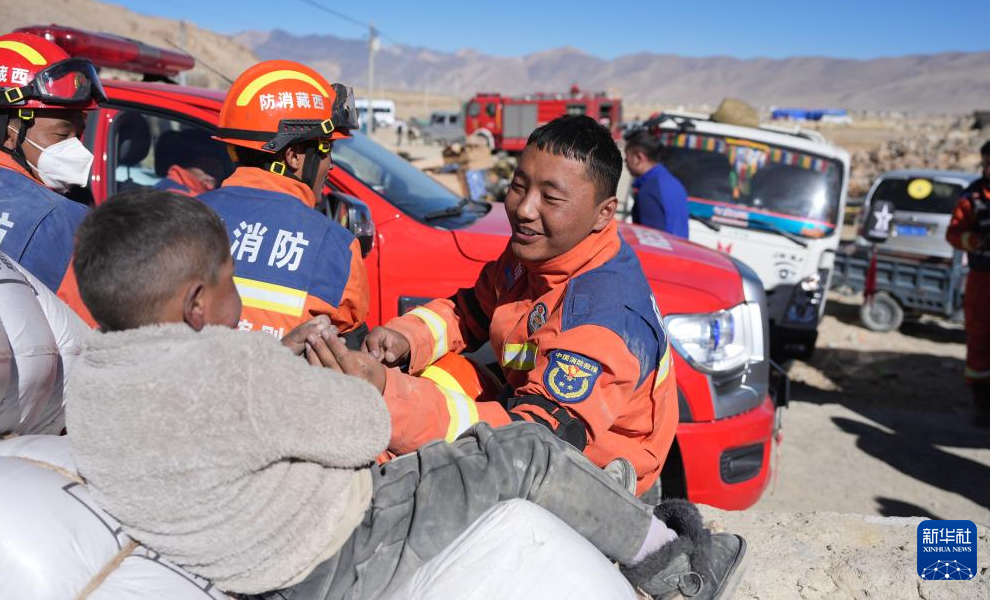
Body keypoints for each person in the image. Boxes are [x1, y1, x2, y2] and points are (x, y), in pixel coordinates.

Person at [65, 188, 746, 599]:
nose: (523, 206)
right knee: (524, 454)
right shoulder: (240, 369)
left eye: (545, 193)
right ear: (195, 304)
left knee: (474, 427)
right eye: (228, 281)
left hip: (261, 553)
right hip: (333, 555)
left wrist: (385, 345)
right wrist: (346, 377)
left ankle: (595, 497)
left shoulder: (92, 383)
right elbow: (361, 430)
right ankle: (679, 569)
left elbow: (464, 311)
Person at [362, 115, 677, 495]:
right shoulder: (539, 252)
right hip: (524, 411)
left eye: (551, 198)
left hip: (582, 467)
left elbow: (534, 439)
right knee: (441, 376)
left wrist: (393, 399)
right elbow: (469, 311)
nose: (525, 209)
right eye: (518, 187)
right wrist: (406, 337)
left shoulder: (603, 317)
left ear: (604, 213)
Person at [198, 60, 369, 341]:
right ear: (294, 156)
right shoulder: (336, 248)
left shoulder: (178, 220)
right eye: (326, 149)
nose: (330, 164)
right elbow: (350, 354)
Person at [0, 32, 105, 321]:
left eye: (78, 134)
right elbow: (96, 337)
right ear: (8, 132)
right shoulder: (65, 223)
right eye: (62, 135)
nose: (77, 149)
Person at [946, 138, 990, 426]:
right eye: (989, 164)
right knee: (981, 340)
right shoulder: (972, 197)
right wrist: (972, 240)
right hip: (984, 280)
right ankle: (982, 403)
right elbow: (953, 233)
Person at [623, 128, 689, 239]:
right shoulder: (674, 183)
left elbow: (651, 242)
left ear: (639, 157)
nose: (625, 162)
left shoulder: (648, 191)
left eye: (627, 157)